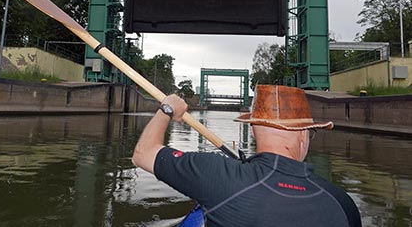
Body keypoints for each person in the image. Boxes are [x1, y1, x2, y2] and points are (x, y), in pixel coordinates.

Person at [132, 84, 362, 227]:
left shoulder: (216, 174)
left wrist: (167, 109)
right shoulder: (341, 202)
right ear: (303, 134)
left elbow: (143, 153)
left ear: (252, 128)